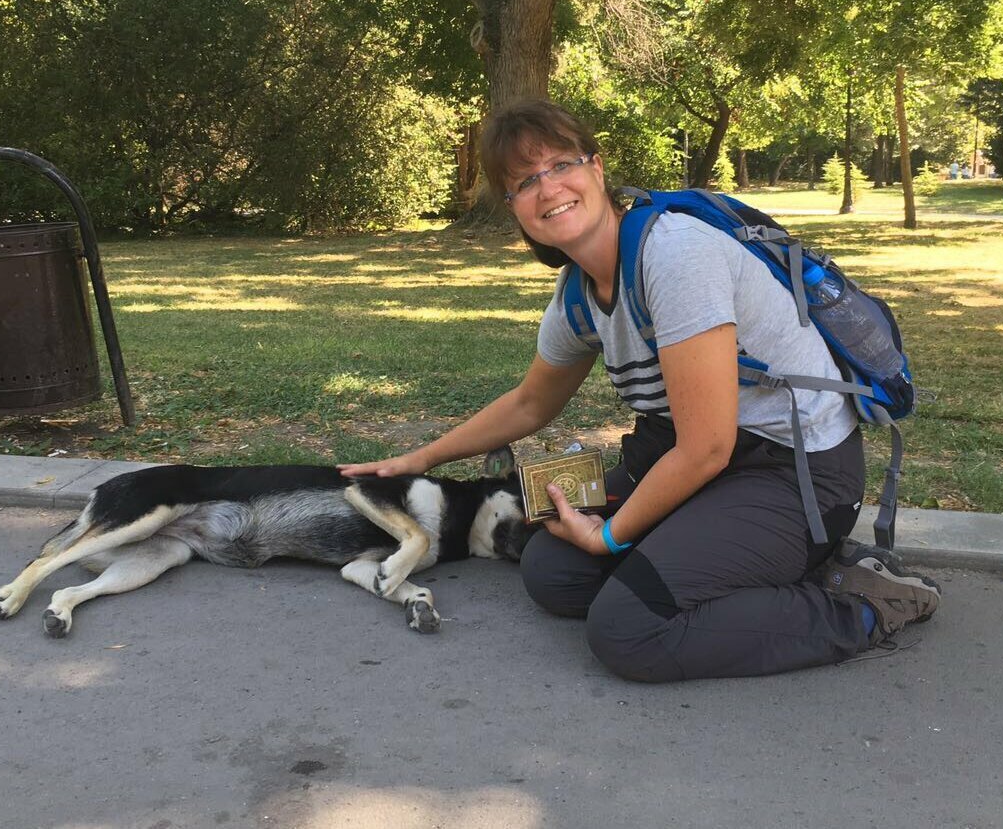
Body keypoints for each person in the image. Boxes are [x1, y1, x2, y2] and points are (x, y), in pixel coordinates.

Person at [339, 100, 939, 681]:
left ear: (597, 170)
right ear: (513, 206)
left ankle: (863, 603)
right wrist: (421, 458)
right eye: (524, 181)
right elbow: (531, 402)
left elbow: (707, 446)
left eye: (561, 165)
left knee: (629, 631)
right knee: (553, 573)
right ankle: (749, 567)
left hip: (792, 471)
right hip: (689, 456)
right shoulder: (577, 294)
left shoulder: (674, 253)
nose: (548, 188)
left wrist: (608, 536)